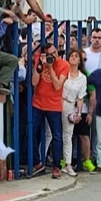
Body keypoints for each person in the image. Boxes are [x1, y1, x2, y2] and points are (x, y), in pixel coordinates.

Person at [32, 43, 69, 178]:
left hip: (53, 106)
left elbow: (58, 85)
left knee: (57, 136)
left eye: (54, 52)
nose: (53, 55)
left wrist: (50, 68)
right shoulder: (39, 61)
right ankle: (37, 163)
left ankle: (56, 166)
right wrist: (40, 66)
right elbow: (34, 82)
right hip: (38, 103)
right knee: (31, 132)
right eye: (50, 54)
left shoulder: (64, 65)